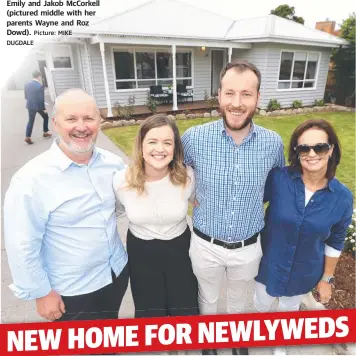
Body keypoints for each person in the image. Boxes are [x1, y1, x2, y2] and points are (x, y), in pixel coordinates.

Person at [181, 59, 285, 356]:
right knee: (208, 298)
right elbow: (174, 176)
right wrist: (189, 197)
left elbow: (276, 186)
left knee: (239, 300)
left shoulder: (272, 143)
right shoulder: (193, 139)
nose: (236, 103)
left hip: (248, 245)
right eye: (230, 93)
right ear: (219, 95)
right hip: (205, 243)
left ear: (257, 99)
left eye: (246, 94)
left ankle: (238, 341)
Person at [4, 89, 129, 322]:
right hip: (72, 292)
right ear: (55, 123)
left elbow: (122, 205)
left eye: (89, 118)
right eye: (71, 119)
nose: (81, 127)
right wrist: (41, 293)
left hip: (115, 274)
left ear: (99, 121)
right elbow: (22, 245)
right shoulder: (31, 180)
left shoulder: (113, 164)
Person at [254, 119, 353, 355]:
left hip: (304, 270)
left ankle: (280, 343)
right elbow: (251, 202)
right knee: (261, 305)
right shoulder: (279, 179)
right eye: (303, 148)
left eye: (319, 147)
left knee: (288, 307)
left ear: (331, 150)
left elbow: (336, 240)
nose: (311, 154)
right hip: (268, 263)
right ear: (296, 153)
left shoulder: (342, 197)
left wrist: (326, 279)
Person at [113, 114, 199, 319]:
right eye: (152, 141)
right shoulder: (121, 181)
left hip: (180, 248)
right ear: (141, 145)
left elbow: (198, 202)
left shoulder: (186, 177)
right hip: (141, 251)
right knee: (149, 310)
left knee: (185, 306)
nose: (160, 149)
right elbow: (117, 210)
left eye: (167, 143)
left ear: (175, 148)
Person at [24, 70, 52, 144]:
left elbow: (26, 96)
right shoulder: (40, 86)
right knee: (46, 117)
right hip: (38, 106)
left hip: (30, 105)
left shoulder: (27, 84)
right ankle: (45, 132)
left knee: (31, 120)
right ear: (39, 76)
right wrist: (44, 109)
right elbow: (41, 99)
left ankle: (28, 136)